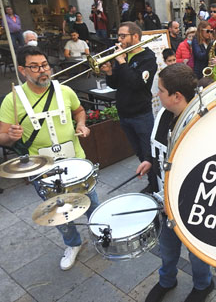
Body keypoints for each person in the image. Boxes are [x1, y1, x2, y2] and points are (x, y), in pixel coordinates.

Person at [0, 46, 98, 271]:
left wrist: (82, 125)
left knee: (91, 199)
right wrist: (10, 136)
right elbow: (3, 137)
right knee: (57, 210)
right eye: (34, 67)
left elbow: (79, 111)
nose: (42, 71)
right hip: (42, 168)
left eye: (44, 65)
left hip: (76, 161)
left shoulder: (64, 90)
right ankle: (72, 244)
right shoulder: (12, 100)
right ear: (22, 70)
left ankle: (101, 231)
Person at [136, 64, 214, 302]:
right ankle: (167, 280)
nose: (156, 94)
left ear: (177, 96)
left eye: (160, 90)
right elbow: (160, 146)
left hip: (193, 206)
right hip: (165, 202)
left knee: (197, 252)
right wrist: (150, 161)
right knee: (167, 248)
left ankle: (204, 285)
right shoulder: (164, 113)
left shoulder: (201, 124)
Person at [101, 22, 158, 193]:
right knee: (140, 153)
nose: (119, 39)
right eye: (119, 35)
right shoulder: (123, 56)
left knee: (149, 153)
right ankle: (152, 181)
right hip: (125, 113)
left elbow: (137, 83)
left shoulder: (148, 59)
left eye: (122, 36)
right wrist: (110, 72)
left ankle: (156, 185)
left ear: (135, 37)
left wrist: (122, 63)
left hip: (141, 114)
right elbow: (116, 84)